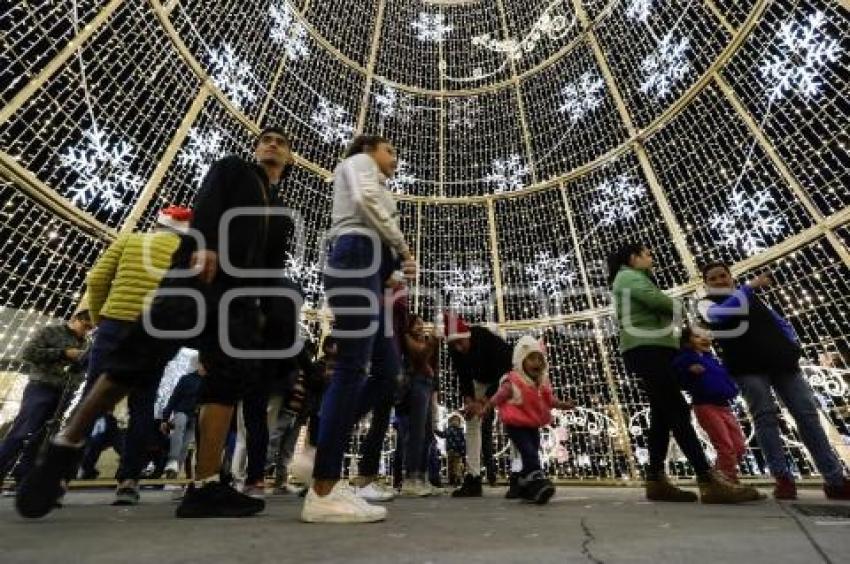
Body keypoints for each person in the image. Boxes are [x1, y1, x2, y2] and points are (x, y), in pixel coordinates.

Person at [16, 127, 295, 519]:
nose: (272, 145)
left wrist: (265, 307)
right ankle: (67, 443)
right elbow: (209, 202)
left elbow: (273, 264)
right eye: (266, 140)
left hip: (239, 300)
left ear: (289, 158)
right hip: (196, 276)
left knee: (229, 380)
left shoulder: (280, 212)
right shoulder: (234, 170)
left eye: (281, 143)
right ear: (256, 148)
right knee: (137, 358)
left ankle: (205, 485)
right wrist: (204, 244)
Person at [301, 134, 417, 524]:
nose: (395, 159)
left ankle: (324, 444)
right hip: (354, 256)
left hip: (369, 267)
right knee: (352, 367)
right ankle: (323, 487)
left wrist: (391, 273)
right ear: (371, 149)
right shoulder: (360, 164)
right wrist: (403, 249)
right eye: (392, 151)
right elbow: (366, 208)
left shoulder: (374, 178)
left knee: (388, 375)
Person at [609, 243, 761, 504]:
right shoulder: (628, 276)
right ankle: (707, 479)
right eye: (647, 253)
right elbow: (658, 302)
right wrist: (678, 307)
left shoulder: (635, 277)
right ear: (633, 258)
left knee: (662, 414)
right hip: (647, 348)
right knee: (677, 409)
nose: (651, 256)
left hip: (653, 348)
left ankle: (655, 479)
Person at [698, 262, 850, 500]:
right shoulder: (708, 303)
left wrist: (791, 345)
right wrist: (749, 287)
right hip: (747, 368)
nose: (719, 281)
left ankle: (835, 479)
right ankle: (783, 478)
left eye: (723, 275)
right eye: (713, 278)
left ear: (730, 277)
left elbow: (778, 322)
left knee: (807, 415)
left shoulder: (750, 298)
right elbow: (719, 315)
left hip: (782, 363)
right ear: (706, 283)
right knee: (765, 418)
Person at [0, 310, 92, 487]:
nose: (86, 331)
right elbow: (28, 353)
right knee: (22, 432)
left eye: (90, 328)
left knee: (42, 439)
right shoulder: (50, 332)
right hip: (41, 387)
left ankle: (24, 479)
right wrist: (64, 353)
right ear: (75, 319)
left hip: (65, 392)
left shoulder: (87, 343)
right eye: (85, 326)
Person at [483, 336, 574, 504]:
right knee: (529, 452)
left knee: (533, 450)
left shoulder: (540, 383)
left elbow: (550, 400)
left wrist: (563, 404)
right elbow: (500, 395)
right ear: (520, 360)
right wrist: (489, 405)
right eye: (532, 358)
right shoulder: (513, 381)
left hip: (531, 424)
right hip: (516, 425)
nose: (537, 363)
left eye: (540, 359)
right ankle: (537, 481)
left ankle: (523, 481)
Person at [444, 312, 512, 497]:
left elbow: (504, 369)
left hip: (506, 376)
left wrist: (485, 401)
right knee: (472, 422)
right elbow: (463, 376)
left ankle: (520, 474)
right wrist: (469, 401)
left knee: (513, 420)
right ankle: (473, 477)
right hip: (480, 381)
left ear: (467, 336)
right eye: (453, 344)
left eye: (460, 342)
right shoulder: (453, 349)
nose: (458, 348)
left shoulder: (485, 338)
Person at [672, 326, 746, 483]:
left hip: (724, 406)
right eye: (698, 336)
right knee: (725, 444)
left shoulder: (711, 359)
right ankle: (727, 479)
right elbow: (680, 380)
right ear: (687, 341)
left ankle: (719, 475)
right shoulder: (685, 359)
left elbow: (724, 378)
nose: (704, 339)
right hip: (705, 405)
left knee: (739, 445)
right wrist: (689, 372)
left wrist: (732, 390)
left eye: (706, 335)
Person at [398, 314, 440, 497]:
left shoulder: (424, 340)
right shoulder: (407, 339)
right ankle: (411, 478)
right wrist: (432, 342)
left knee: (428, 435)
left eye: (422, 324)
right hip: (416, 384)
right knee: (417, 433)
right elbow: (420, 355)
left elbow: (432, 365)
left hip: (427, 385)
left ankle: (422, 478)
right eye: (416, 324)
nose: (420, 327)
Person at [161, 364, 204, 479]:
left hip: (195, 417)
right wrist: (165, 418)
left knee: (185, 445)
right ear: (199, 365)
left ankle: (174, 474)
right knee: (179, 425)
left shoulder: (209, 383)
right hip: (181, 412)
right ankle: (172, 461)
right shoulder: (187, 379)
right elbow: (174, 398)